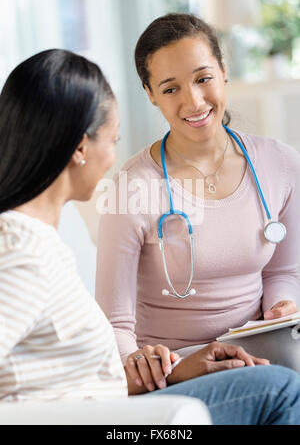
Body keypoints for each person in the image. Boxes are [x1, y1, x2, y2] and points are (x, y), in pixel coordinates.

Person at [1, 50, 300, 427]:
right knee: (279, 389)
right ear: (80, 148)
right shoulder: (20, 253)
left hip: (116, 401)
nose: (114, 157)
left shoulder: (41, 244)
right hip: (103, 420)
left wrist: (174, 370)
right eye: (113, 139)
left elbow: (82, 380)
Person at [95, 13, 300, 392]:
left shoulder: (282, 164)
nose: (193, 100)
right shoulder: (131, 186)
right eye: (170, 88)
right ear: (150, 93)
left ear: (224, 72)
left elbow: (281, 273)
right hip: (180, 372)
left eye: (203, 78)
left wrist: (282, 306)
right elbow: (115, 325)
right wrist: (143, 369)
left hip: (263, 356)